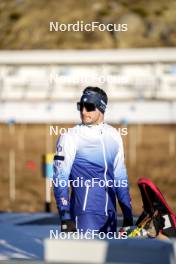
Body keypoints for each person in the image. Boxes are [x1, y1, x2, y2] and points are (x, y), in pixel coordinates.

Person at [53, 86, 133, 235]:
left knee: (110, 258)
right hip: (84, 213)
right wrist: (65, 216)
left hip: (110, 213)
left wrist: (128, 215)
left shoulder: (114, 135)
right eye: (80, 107)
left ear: (101, 108)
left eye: (89, 107)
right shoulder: (70, 136)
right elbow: (60, 178)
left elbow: (120, 178)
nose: (83, 111)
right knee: (85, 259)